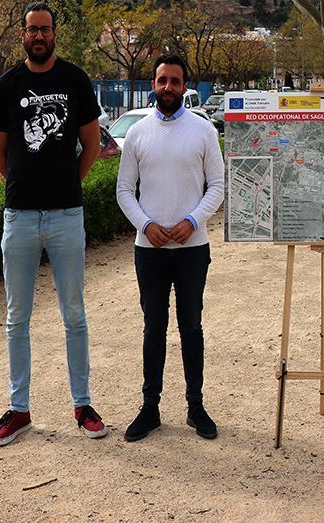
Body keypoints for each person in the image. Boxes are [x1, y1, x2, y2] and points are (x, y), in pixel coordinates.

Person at [0, 1, 107, 446]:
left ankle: (82, 404)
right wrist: (26, 185)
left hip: (66, 216)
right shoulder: (7, 85)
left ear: (55, 33)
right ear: (23, 34)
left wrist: (66, 188)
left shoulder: (75, 80)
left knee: (73, 315)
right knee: (17, 318)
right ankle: (19, 411)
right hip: (18, 216)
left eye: (46, 30)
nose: (40, 36)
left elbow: (91, 143)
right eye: (33, 30)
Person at [116, 54, 224, 442]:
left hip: (193, 248)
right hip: (149, 249)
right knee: (153, 330)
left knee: (191, 327)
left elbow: (217, 187)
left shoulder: (203, 130)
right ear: (153, 85)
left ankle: (195, 407)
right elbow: (124, 190)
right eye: (162, 81)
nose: (167, 88)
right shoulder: (138, 133)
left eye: (175, 81)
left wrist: (191, 222)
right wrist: (146, 225)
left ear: (184, 86)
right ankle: (150, 408)